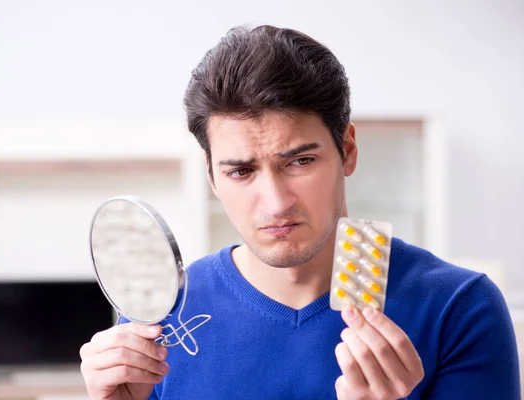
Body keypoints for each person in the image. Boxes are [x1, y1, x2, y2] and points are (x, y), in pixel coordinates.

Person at [79, 25, 521, 399]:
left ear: (346, 150)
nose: (275, 202)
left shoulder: (460, 307)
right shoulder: (160, 321)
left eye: (299, 162)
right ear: (213, 178)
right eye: (241, 171)